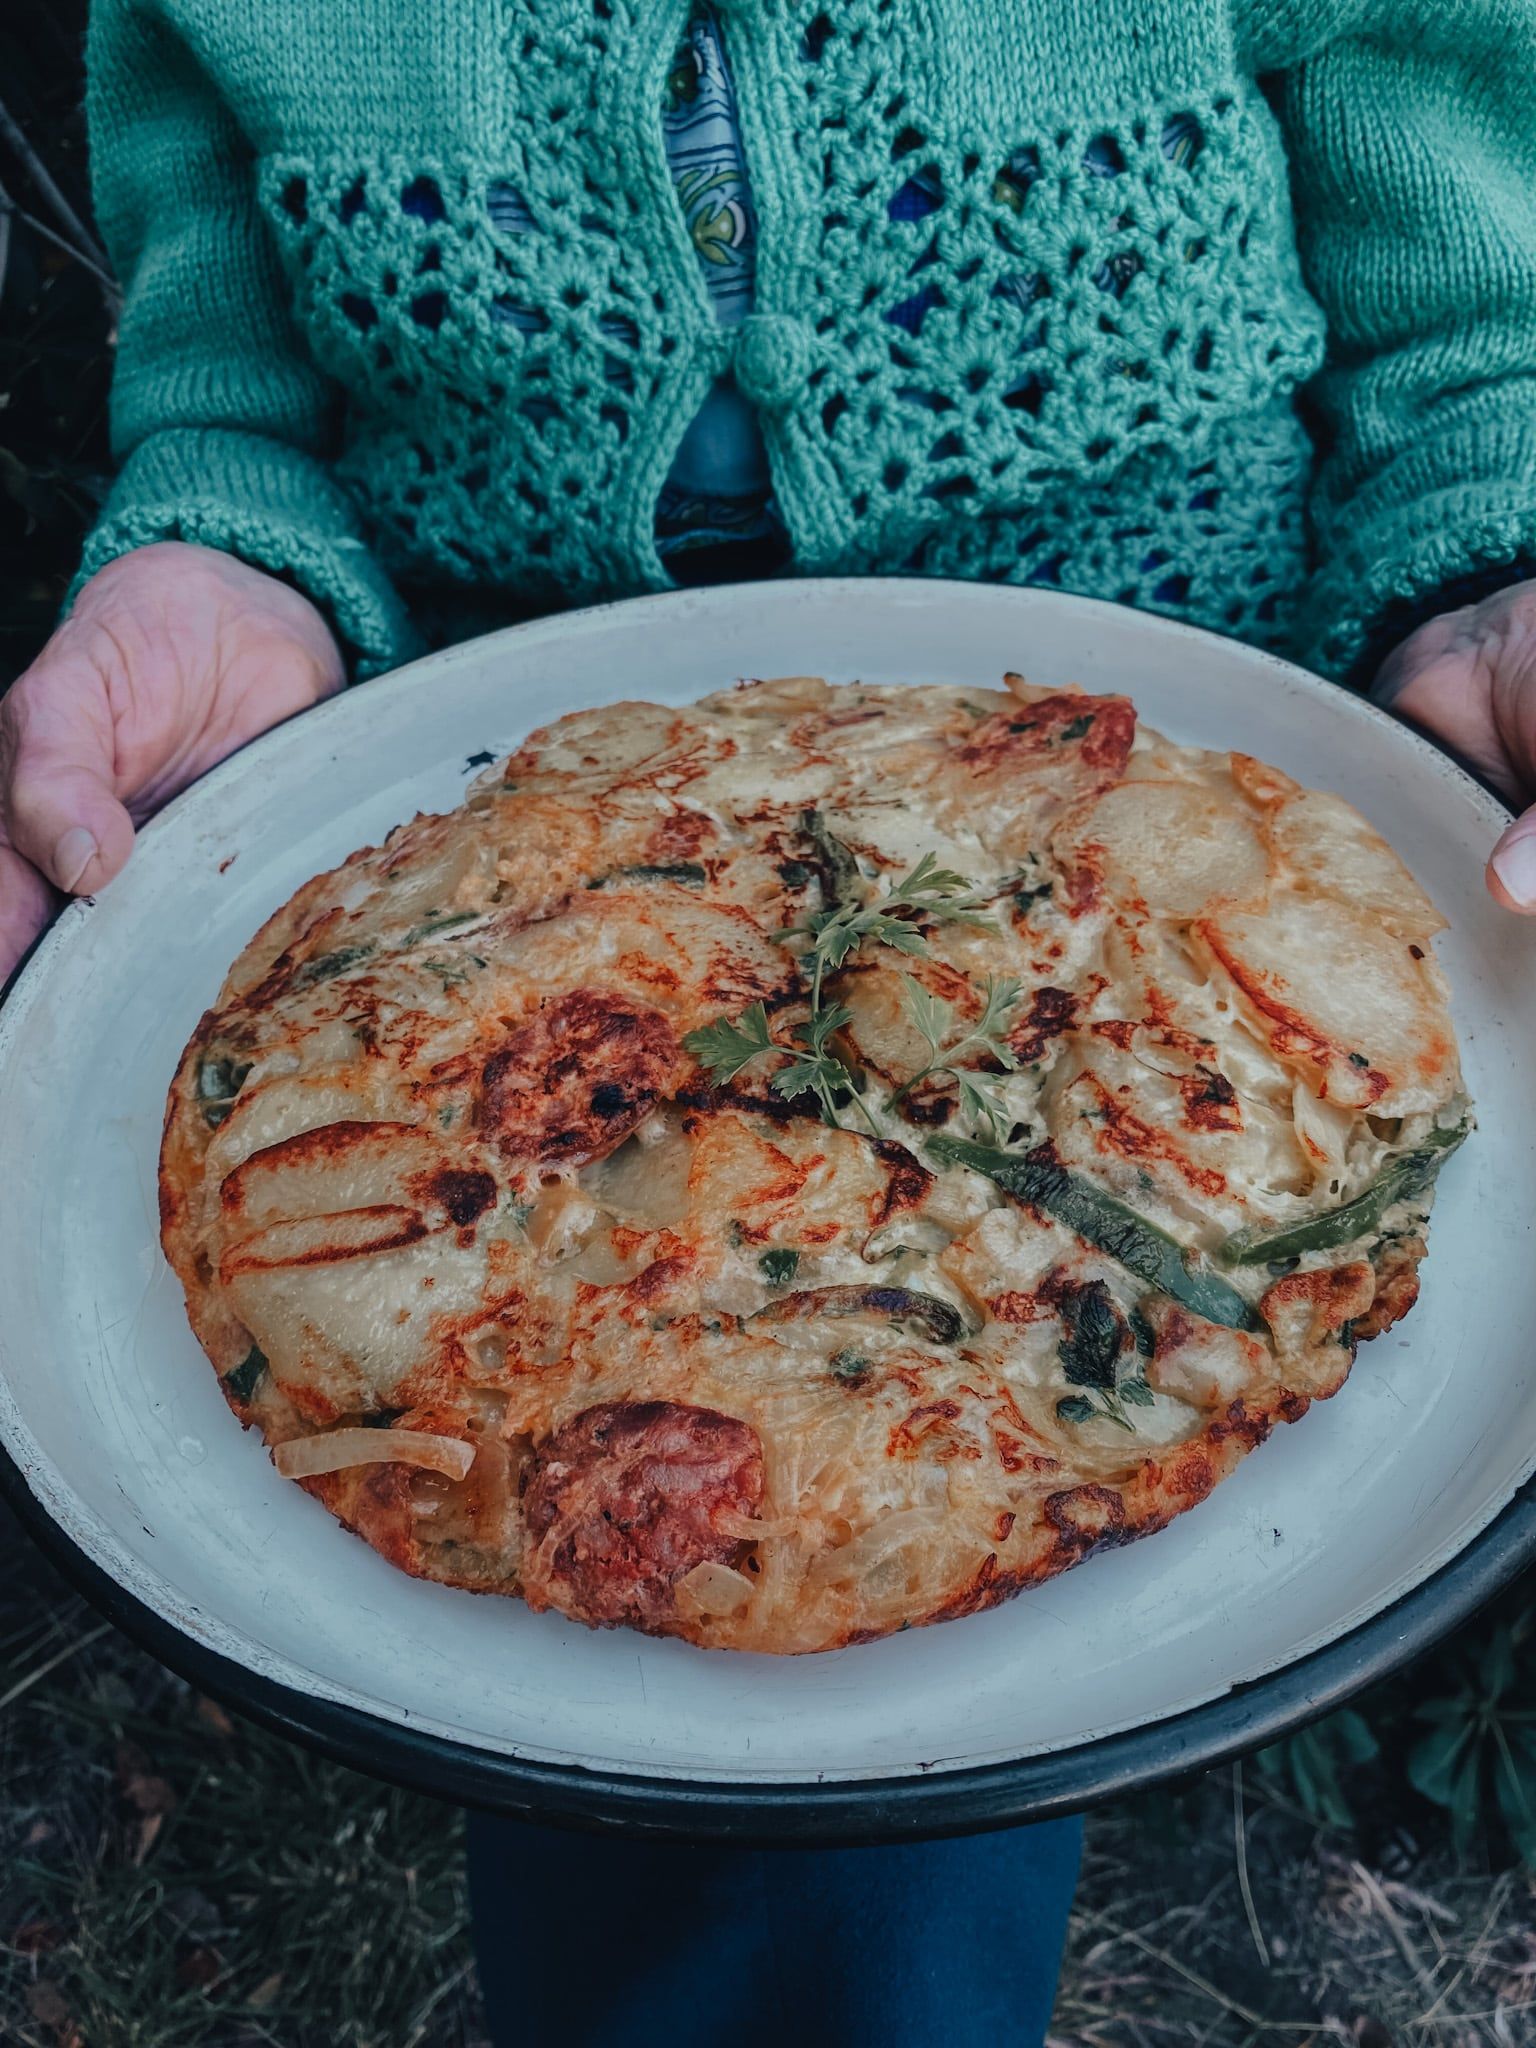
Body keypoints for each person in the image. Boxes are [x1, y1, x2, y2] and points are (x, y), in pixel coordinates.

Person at [3, 3, 1535, 2040]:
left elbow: (1469, 304)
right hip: (494, 835)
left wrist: (1489, 565)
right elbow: (230, 362)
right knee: (704, 1793)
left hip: (1166, 850)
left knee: (892, 1832)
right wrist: (225, 553)